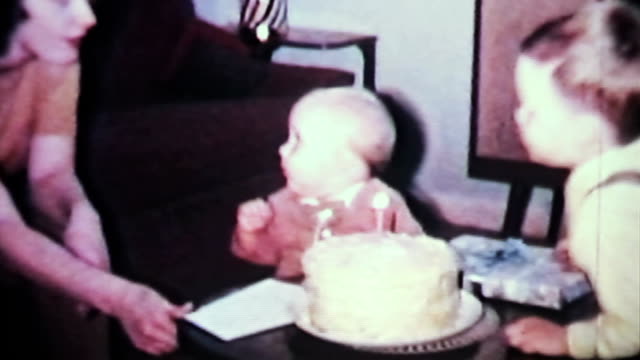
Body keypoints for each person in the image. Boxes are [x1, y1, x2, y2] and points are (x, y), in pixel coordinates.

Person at [0, 0, 191, 356]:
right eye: (61, 3)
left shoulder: (55, 54)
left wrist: (83, 217)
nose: (87, 18)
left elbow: (50, 175)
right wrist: (119, 297)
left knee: (76, 253)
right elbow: (4, 229)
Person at [504, 0, 640, 358]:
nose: (520, 117)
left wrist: (568, 340)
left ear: (589, 124)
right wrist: (591, 249)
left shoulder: (611, 208)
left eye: (534, 109)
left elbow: (636, 329)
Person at [230, 87, 424, 278]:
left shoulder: (382, 205)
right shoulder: (284, 203)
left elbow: (420, 258)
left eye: (297, 141)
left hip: (364, 300)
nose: (282, 149)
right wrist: (251, 231)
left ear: (343, 164)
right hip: (296, 298)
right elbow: (260, 254)